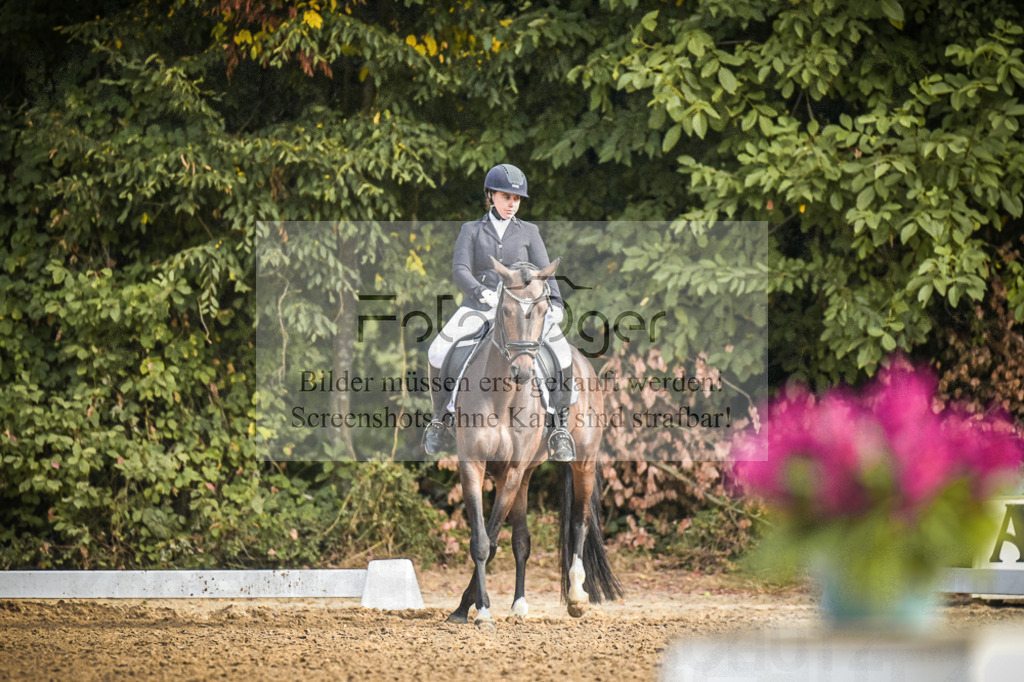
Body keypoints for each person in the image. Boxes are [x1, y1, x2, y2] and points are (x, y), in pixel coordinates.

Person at [422, 163, 576, 462]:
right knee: (437, 351)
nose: (512, 204)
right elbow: (460, 269)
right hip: (480, 306)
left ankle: (559, 428)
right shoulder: (471, 230)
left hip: (523, 311)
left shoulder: (530, 231)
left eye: (516, 199)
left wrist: (556, 303)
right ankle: (440, 419)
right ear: (490, 195)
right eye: (506, 197)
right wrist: (481, 292)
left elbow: (545, 272)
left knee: (563, 353)